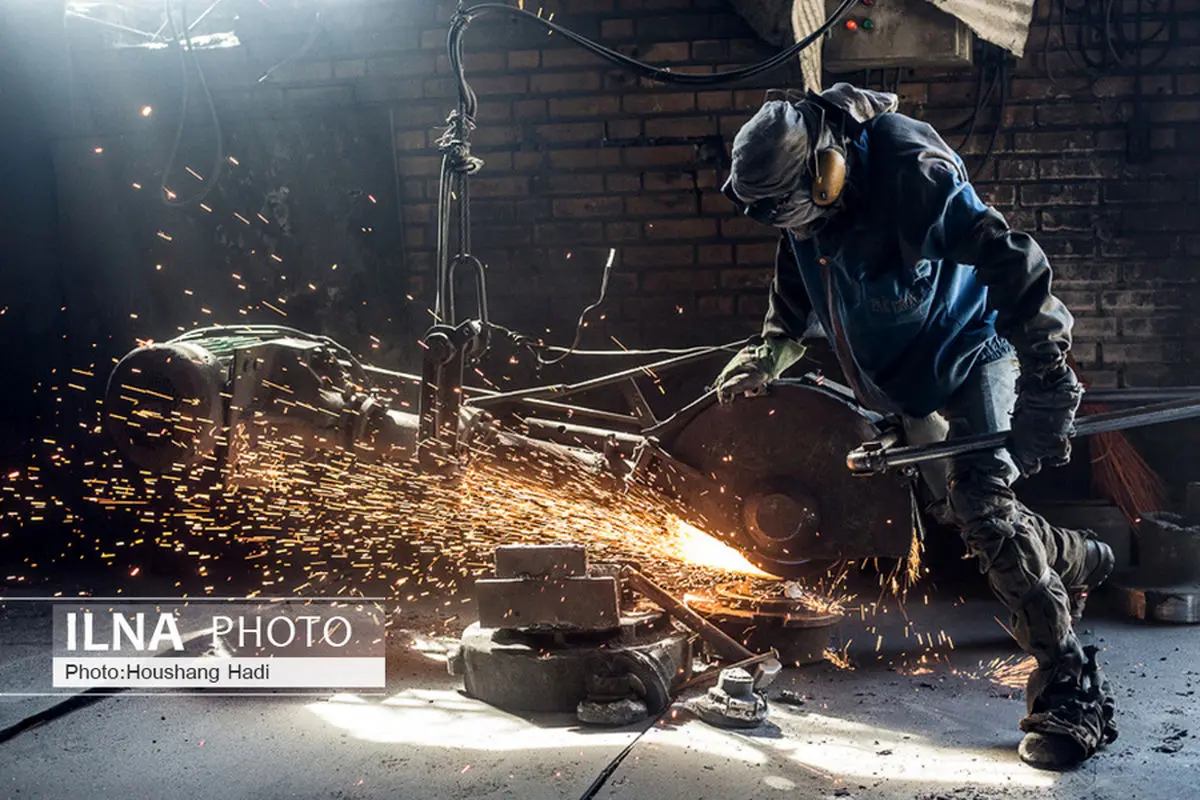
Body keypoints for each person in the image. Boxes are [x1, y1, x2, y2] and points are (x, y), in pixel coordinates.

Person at [715, 83, 1118, 769]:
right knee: (970, 515)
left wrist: (1049, 379)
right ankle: (1080, 556)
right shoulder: (803, 216)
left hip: (973, 353)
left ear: (825, 165)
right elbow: (791, 310)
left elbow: (1013, 259)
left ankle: (1068, 686)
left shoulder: (909, 169)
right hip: (904, 383)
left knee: (985, 508)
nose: (794, 226)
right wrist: (766, 354)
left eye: (796, 209)